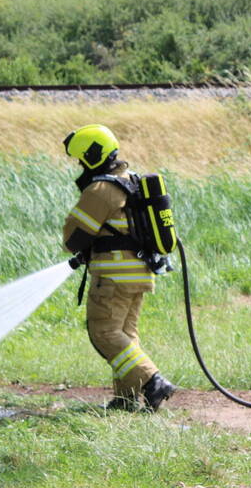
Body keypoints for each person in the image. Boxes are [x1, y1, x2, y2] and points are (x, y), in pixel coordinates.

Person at [61, 123, 177, 412]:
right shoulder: (130, 180)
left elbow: (74, 237)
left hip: (114, 276)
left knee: (104, 333)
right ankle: (125, 399)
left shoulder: (102, 189)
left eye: (80, 159)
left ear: (90, 156)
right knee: (124, 335)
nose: (79, 166)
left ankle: (153, 381)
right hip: (140, 273)